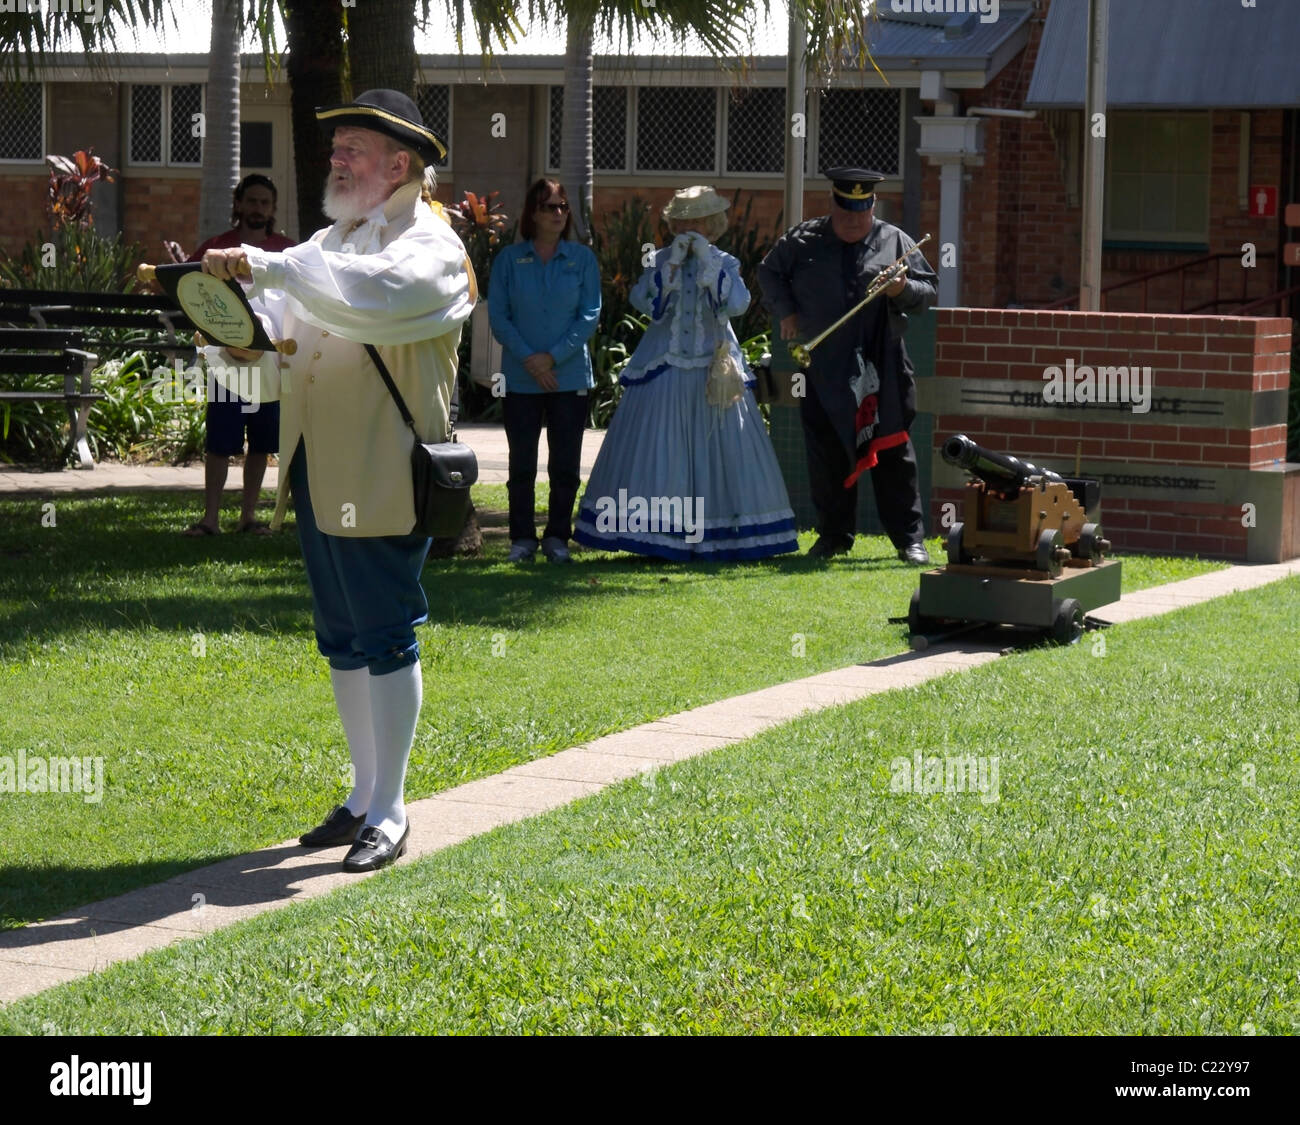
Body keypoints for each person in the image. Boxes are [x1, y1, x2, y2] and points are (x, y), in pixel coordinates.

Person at [198, 90, 473, 872]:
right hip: (320, 461)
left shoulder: (432, 245)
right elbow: (283, 336)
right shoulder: (331, 239)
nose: (337, 159)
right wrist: (230, 321)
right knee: (343, 638)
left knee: (385, 632)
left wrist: (270, 265)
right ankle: (360, 794)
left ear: (400, 164)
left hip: (386, 466)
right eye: (338, 146)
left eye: (353, 147)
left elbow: (375, 300)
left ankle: (391, 810)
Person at [573, 185, 798, 561]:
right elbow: (645, 302)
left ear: (712, 225)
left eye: (698, 221)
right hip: (665, 367)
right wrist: (671, 267)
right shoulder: (660, 259)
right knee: (662, 446)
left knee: (719, 447)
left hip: (714, 368)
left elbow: (738, 305)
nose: (690, 227)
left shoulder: (724, 262)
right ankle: (659, 534)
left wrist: (710, 267)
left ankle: (722, 533)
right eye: (684, 221)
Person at [758, 167, 938, 563]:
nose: (854, 222)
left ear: (872, 205)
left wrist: (901, 288)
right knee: (826, 450)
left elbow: (929, 292)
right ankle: (834, 535)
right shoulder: (803, 239)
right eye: (845, 214)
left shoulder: (895, 240)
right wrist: (786, 312)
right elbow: (768, 273)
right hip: (823, 364)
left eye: (862, 213)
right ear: (832, 204)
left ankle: (909, 540)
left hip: (883, 365)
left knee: (893, 450)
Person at [488, 178, 600, 563]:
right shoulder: (509, 260)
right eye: (548, 207)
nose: (557, 213)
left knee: (565, 465)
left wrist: (552, 357)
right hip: (520, 379)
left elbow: (589, 316)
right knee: (521, 463)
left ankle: (556, 538)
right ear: (532, 214)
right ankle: (521, 539)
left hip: (568, 378)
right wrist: (531, 361)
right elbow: (499, 318)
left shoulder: (582, 259)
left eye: (562, 207)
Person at [182, 174, 297, 537]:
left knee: (262, 443)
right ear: (239, 204)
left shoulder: (287, 251)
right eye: (252, 201)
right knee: (219, 443)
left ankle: (248, 517)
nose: (258, 209)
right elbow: (189, 290)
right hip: (225, 363)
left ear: (273, 209)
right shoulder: (215, 249)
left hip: (271, 363)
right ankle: (210, 520)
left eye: (265, 203)